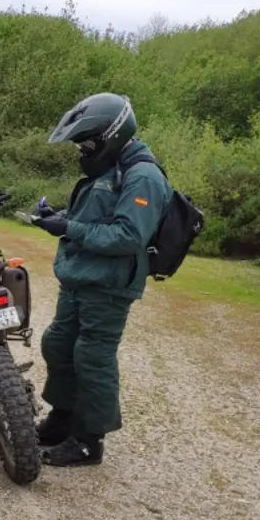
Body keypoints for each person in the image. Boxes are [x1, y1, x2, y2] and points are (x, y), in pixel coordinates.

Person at [33, 92, 172, 468]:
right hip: (79, 279)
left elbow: (128, 236)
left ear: (110, 135)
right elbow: (97, 217)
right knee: (58, 345)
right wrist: (56, 216)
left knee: (93, 358)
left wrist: (68, 227)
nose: (82, 151)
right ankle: (62, 420)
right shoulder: (110, 172)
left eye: (87, 143)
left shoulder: (143, 176)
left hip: (109, 286)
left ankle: (88, 441)